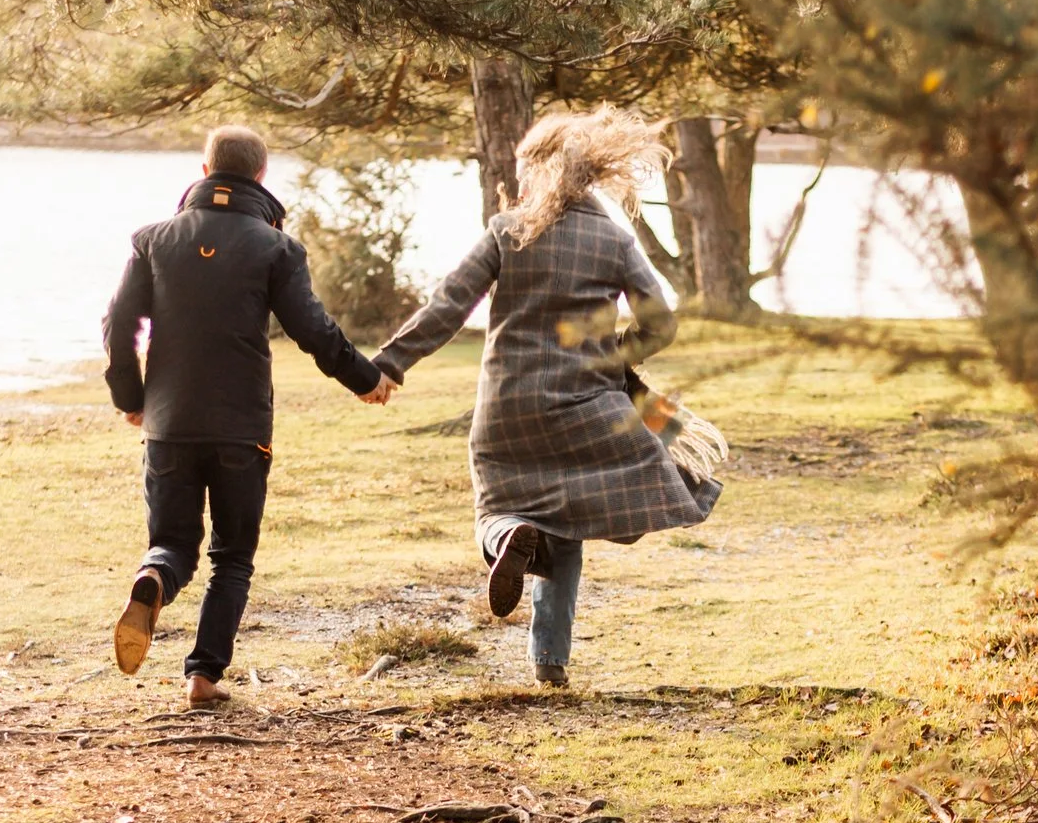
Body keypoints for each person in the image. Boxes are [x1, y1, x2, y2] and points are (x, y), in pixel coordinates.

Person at [370, 106, 720, 689]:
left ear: (538, 169)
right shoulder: (613, 239)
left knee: (497, 506)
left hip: (508, 410)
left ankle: (507, 537)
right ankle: (549, 662)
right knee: (569, 520)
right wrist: (614, 355)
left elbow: (448, 306)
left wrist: (390, 363)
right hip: (586, 408)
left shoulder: (508, 230)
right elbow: (662, 324)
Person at [103, 124, 396, 706]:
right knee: (232, 557)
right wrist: (365, 380)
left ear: (206, 165)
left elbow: (118, 326)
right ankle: (203, 678)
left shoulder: (153, 239)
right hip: (241, 429)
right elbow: (313, 330)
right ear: (260, 175)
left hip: (169, 425)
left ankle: (155, 578)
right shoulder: (276, 248)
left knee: (173, 544)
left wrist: (132, 399)